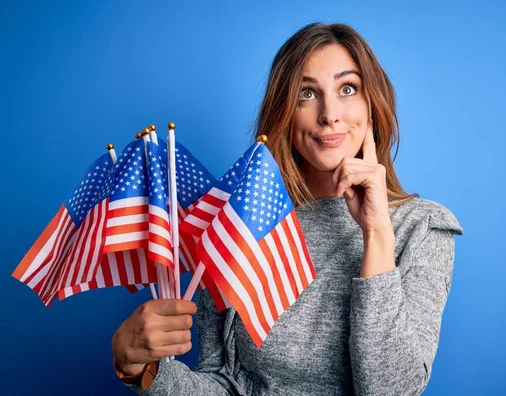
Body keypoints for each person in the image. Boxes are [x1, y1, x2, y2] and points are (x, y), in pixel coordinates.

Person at [111, 22, 464, 395]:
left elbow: (390, 390)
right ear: (284, 112)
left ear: (373, 104)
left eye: (347, 89)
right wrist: (139, 367)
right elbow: (225, 383)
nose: (329, 113)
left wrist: (376, 233)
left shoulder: (423, 227)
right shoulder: (238, 223)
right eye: (306, 93)